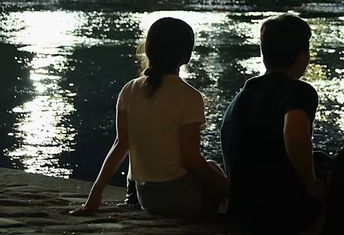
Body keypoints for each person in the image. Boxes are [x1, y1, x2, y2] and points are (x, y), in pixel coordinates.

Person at [73, 17, 227, 217]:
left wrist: (95, 195)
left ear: (148, 50)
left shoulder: (129, 89)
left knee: (212, 169)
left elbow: (120, 145)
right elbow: (191, 160)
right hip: (180, 198)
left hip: (145, 195)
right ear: (186, 56)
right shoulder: (190, 96)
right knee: (216, 175)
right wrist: (228, 187)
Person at [221, 13, 323, 235]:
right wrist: (311, 184)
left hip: (242, 210)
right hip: (280, 213)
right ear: (303, 55)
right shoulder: (299, 91)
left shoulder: (243, 95)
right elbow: (294, 135)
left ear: (263, 54)